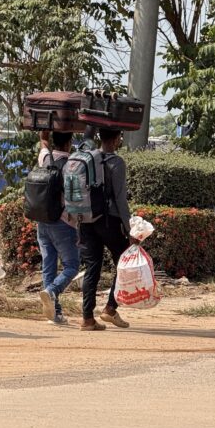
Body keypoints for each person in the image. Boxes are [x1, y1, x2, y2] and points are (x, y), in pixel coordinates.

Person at [78, 127, 131, 331]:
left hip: (86, 219)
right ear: (117, 138)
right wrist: (129, 228)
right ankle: (110, 308)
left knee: (92, 267)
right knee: (124, 263)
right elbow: (120, 198)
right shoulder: (116, 162)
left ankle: (87, 318)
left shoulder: (89, 158)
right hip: (109, 220)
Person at [36, 130, 78, 326]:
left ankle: (55, 314)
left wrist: (44, 134)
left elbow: (43, 143)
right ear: (69, 142)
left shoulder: (46, 157)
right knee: (72, 265)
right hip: (63, 222)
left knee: (49, 265)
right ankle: (52, 291)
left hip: (42, 220)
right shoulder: (73, 164)